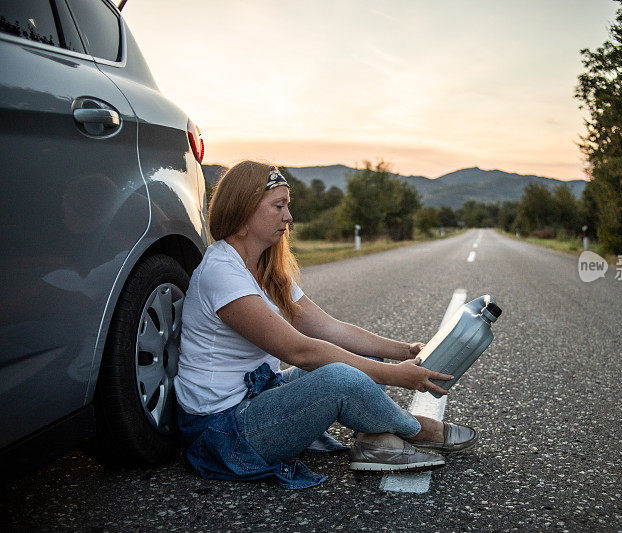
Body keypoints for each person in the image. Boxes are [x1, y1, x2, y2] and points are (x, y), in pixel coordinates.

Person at [174, 161, 477, 489]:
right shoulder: (221, 271)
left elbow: (332, 330)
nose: (288, 217)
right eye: (279, 206)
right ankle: (415, 429)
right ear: (244, 210)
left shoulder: (266, 269)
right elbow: (300, 351)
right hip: (222, 429)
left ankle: (374, 441)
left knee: (358, 357)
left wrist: (405, 350)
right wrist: (397, 376)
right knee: (339, 377)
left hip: (262, 396)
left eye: (287, 206)